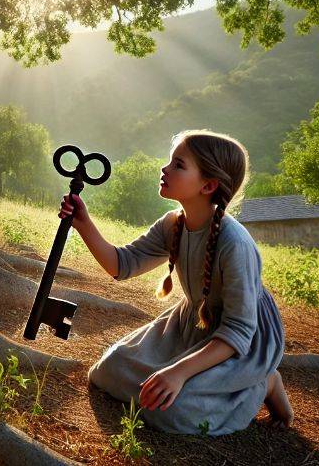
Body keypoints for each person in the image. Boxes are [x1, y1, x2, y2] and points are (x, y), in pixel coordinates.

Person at [58, 129, 294, 436]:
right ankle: (193, 376)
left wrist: (178, 373)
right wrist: (84, 224)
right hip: (193, 322)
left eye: (178, 165)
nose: (164, 169)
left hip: (239, 342)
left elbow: (239, 330)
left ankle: (262, 382)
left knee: (172, 412)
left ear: (208, 185)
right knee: (108, 369)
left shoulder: (234, 243)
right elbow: (122, 265)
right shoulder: (173, 224)